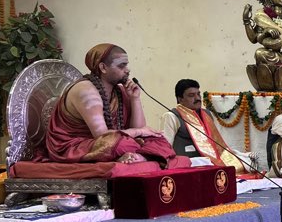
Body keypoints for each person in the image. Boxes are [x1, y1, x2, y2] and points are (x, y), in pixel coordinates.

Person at [41, 43, 180, 165]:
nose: (128, 70)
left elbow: (139, 128)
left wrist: (135, 99)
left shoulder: (119, 91)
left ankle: (137, 157)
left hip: (105, 141)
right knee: (118, 143)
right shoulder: (86, 91)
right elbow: (101, 136)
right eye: (122, 65)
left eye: (127, 64)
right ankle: (139, 156)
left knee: (158, 139)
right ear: (103, 67)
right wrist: (139, 132)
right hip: (74, 146)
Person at [160, 78, 254, 171]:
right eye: (191, 95)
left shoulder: (206, 114)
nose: (197, 98)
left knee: (243, 163)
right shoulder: (172, 116)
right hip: (189, 164)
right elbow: (165, 148)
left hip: (209, 160)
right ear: (180, 99)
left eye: (198, 94)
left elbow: (216, 142)